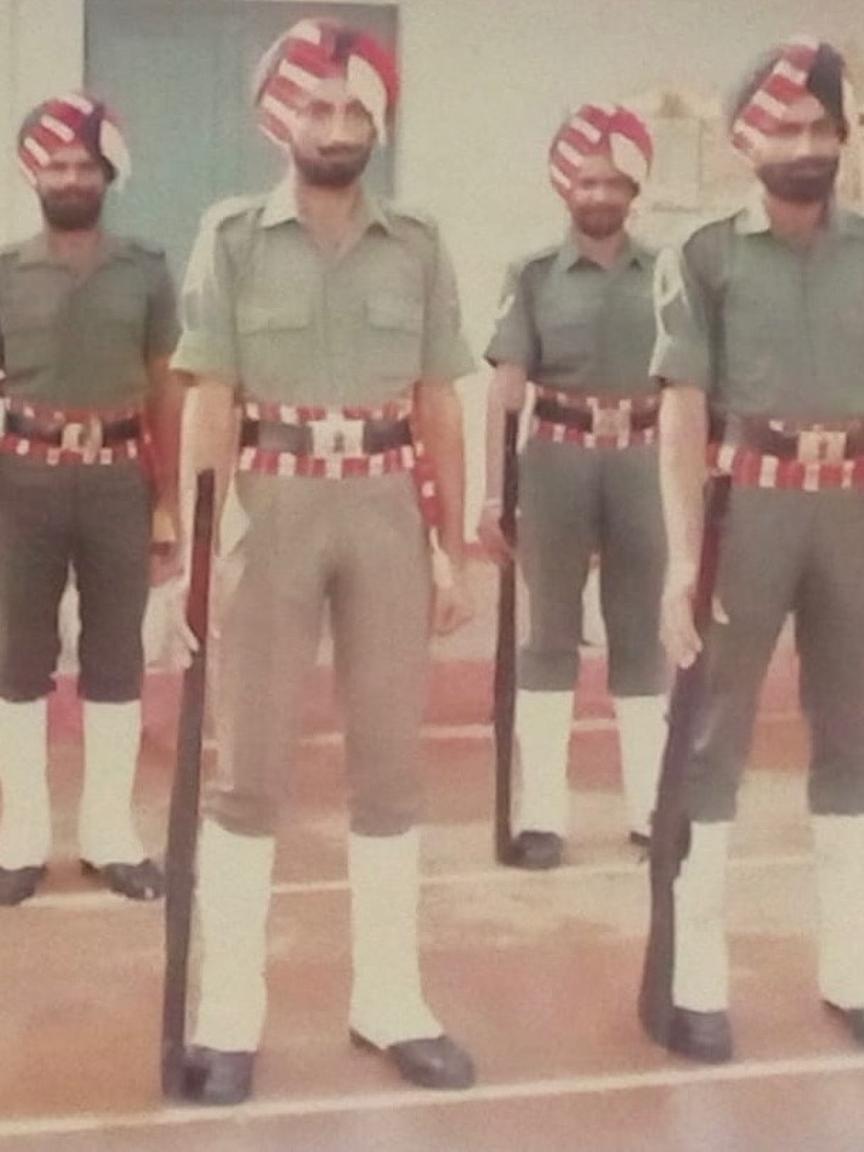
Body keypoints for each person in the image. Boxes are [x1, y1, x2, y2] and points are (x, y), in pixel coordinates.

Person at [171, 18, 476, 1105]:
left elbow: (440, 403)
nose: (337, 126)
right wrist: (196, 556)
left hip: (387, 509)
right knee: (246, 772)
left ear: (377, 125)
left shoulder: (420, 243)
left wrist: (454, 547)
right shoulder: (232, 238)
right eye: (318, 106)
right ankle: (228, 1017)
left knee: (389, 767)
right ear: (281, 118)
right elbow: (210, 399)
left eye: (355, 110)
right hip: (272, 507)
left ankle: (390, 1000)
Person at [652, 36, 864, 1062]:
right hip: (748, 509)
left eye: (824, 127)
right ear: (748, 140)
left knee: (855, 739)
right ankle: (696, 981)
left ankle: (853, 970)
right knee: (714, 739)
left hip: (854, 509)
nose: (808, 145)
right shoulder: (704, 255)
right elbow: (682, 410)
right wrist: (681, 556)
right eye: (787, 127)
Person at [0, 93, 182, 905]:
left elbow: (166, 388)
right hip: (22, 481)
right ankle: (19, 840)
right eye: (57, 166)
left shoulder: (145, 270)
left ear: (107, 176)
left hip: (118, 479)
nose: (71, 178)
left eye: (85, 166)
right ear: (34, 174)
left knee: (116, 656)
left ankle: (110, 837)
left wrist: (167, 500)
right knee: (17, 659)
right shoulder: (6, 272)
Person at [478, 105, 667, 870]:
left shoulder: (669, 275)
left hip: (644, 459)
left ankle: (652, 810)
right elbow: (505, 390)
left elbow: (692, 386)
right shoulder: (531, 275)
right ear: (567, 188)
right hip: (556, 458)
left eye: (614, 182)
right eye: (586, 181)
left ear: (634, 190)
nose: (599, 194)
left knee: (642, 636)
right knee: (549, 636)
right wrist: (494, 496)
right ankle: (543, 818)